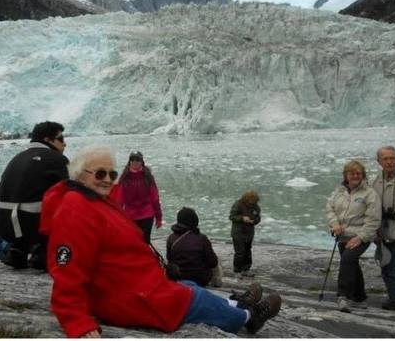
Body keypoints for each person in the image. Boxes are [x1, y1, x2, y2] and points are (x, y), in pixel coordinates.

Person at [41, 145, 281, 338]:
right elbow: (67, 271)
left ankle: (236, 303)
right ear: (79, 174)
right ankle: (248, 317)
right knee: (194, 299)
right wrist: (76, 320)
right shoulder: (76, 209)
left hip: (136, 286)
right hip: (128, 298)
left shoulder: (95, 201)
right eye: (100, 173)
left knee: (189, 285)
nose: (107, 180)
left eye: (112, 174)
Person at [0, 121, 68, 270]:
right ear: (47, 140)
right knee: (70, 202)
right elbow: (68, 191)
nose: (64, 144)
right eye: (61, 139)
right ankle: (44, 252)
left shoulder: (17, 157)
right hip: (31, 226)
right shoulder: (57, 159)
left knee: (29, 201)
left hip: (2, 222)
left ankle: (18, 249)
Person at [326, 160, 381, 313]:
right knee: (352, 263)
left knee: (348, 259)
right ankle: (360, 298)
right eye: (352, 173)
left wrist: (360, 238)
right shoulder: (339, 191)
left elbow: (373, 220)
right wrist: (334, 224)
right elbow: (330, 208)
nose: (356, 176)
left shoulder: (370, 194)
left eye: (359, 173)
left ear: (363, 175)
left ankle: (343, 295)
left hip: (360, 235)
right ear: (346, 175)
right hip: (342, 234)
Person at [110, 151, 163, 243]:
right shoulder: (125, 178)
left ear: (142, 161)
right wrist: (118, 219)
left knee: (144, 242)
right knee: (136, 242)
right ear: (129, 162)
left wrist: (159, 217)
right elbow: (119, 200)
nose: (135, 161)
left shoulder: (148, 177)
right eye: (132, 159)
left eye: (137, 159)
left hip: (147, 215)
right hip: (131, 216)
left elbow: (155, 198)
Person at [372, 146, 395, 311]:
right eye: (385, 159)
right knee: (388, 265)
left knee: (392, 265)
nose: (389, 162)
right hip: (384, 230)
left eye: (392, 158)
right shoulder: (375, 181)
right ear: (379, 162)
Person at [166, 206, 221, 287]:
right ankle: (216, 285)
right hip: (200, 279)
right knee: (217, 268)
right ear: (195, 220)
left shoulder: (171, 238)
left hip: (179, 277)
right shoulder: (201, 238)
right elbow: (213, 262)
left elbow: (169, 259)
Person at [229, 191, 261, 277]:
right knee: (239, 252)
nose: (252, 202)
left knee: (247, 252)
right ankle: (237, 270)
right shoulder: (238, 204)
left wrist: (254, 221)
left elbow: (258, 218)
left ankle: (246, 269)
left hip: (249, 233)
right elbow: (232, 216)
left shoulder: (256, 207)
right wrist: (242, 218)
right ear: (247, 199)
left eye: (254, 201)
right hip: (238, 232)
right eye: (251, 200)